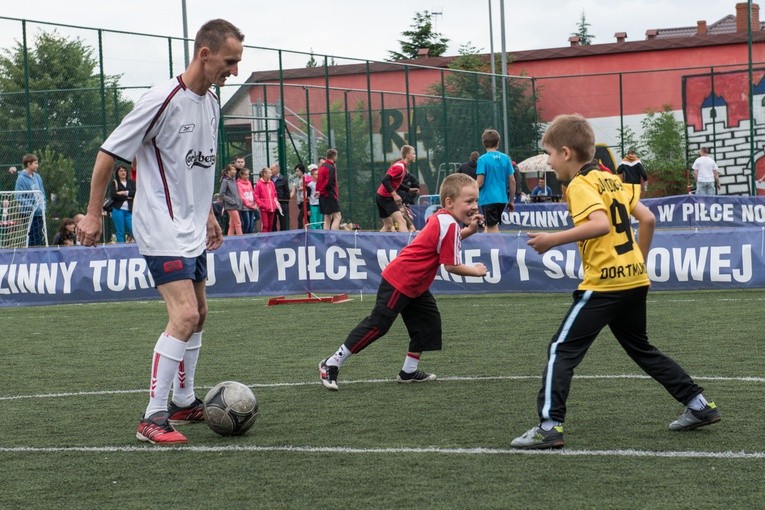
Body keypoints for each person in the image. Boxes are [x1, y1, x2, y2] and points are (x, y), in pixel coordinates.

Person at [76, 19, 244, 444]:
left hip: (191, 226)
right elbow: (107, 156)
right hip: (159, 225)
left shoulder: (210, 104)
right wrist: (94, 215)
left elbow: (196, 167)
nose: (234, 71)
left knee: (201, 314)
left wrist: (207, 215)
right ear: (204, 54)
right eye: (229, 62)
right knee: (184, 315)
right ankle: (152, 417)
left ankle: (184, 401)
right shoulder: (161, 98)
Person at [510, 114, 720, 450]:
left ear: (566, 153)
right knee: (641, 347)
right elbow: (648, 218)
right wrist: (641, 264)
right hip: (633, 278)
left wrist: (553, 239)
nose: (548, 162)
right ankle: (698, 405)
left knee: (561, 350)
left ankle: (549, 427)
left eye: (549, 154)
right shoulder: (610, 179)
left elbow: (600, 225)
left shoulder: (579, 185)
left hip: (606, 282)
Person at [319, 172, 487, 391]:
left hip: (415, 285)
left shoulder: (444, 218)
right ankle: (331, 363)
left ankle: (408, 371)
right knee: (378, 325)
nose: (474, 206)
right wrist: (476, 270)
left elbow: (443, 242)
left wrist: (470, 230)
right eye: (469, 201)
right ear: (449, 202)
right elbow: (451, 265)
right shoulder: (449, 224)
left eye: (476, 200)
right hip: (402, 281)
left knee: (429, 324)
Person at [476, 130, 515, 233]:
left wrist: (469, 192)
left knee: (492, 228)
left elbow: (480, 182)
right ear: (498, 142)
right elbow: (512, 181)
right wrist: (511, 201)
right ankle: (488, 248)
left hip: (488, 199)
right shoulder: (505, 158)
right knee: (489, 227)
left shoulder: (482, 159)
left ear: (483, 143)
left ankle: (501, 249)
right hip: (502, 199)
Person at [376, 145, 418, 232]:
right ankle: (406, 244)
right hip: (385, 198)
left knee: (388, 225)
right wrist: (394, 195)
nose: (415, 156)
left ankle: (375, 244)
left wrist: (408, 189)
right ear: (408, 156)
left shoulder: (402, 166)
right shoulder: (400, 167)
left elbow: (396, 183)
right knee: (401, 221)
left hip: (380, 196)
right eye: (413, 154)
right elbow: (385, 180)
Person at [15, 154, 46, 246]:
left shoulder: (37, 177)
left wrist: (43, 205)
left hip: (39, 213)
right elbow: (18, 196)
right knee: (32, 238)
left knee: (39, 237)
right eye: (35, 163)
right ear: (29, 164)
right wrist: (32, 207)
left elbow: (42, 192)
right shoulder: (21, 179)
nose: (37, 165)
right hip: (28, 214)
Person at [110, 164, 136, 243]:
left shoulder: (131, 182)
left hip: (129, 210)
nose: (123, 172)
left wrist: (124, 192)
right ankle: (121, 252)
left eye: (124, 170)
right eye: (120, 171)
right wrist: (128, 196)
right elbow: (113, 195)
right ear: (117, 173)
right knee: (120, 231)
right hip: (118, 210)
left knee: (134, 230)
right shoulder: (114, 183)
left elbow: (135, 193)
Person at [316, 149, 341, 230]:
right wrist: (322, 191)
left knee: (327, 218)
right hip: (329, 195)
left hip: (323, 196)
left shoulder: (321, 167)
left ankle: (326, 238)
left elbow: (319, 181)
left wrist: (319, 191)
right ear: (334, 156)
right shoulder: (331, 167)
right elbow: (328, 182)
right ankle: (333, 237)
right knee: (337, 217)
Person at [219, 164, 243, 235]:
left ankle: (230, 241)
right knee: (238, 223)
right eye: (233, 170)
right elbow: (222, 194)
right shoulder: (225, 181)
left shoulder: (234, 180)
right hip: (230, 206)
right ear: (228, 171)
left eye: (235, 170)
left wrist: (238, 201)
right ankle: (241, 241)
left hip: (236, 205)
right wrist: (232, 201)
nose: (235, 171)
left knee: (232, 225)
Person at [254, 167, 278, 233]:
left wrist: (275, 204)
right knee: (265, 225)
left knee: (270, 225)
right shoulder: (259, 184)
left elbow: (275, 194)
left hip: (272, 207)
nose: (271, 174)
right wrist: (262, 205)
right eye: (269, 173)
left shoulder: (271, 183)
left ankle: (269, 239)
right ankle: (264, 240)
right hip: (264, 209)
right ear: (264, 174)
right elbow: (256, 196)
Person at [237, 167, 257, 234]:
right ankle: (245, 238)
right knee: (247, 224)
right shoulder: (239, 184)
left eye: (248, 174)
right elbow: (242, 196)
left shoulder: (249, 183)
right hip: (245, 207)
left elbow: (252, 193)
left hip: (252, 206)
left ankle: (250, 239)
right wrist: (249, 205)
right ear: (241, 175)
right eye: (245, 174)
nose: (247, 176)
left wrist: (255, 204)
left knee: (251, 224)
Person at [271, 164, 290, 231]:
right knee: (273, 222)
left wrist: (282, 201)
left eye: (272, 169)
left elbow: (287, 192)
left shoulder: (284, 179)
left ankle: (284, 237)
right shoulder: (269, 179)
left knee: (283, 222)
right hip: (272, 203)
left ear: (277, 169)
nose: (271, 171)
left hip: (282, 203)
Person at [293, 164, 309, 229]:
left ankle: (300, 233)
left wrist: (304, 187)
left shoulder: (307, 177)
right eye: (296, 171)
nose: (296, 173)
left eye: (298, 171)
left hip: (306, 200)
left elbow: (309, 186)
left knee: (300, 217)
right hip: (299, 201)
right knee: (307, 217)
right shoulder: (296, 180)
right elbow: (293, 190)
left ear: (302, 171)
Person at [307, 164, 321, 229]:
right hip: (313, 205)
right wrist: (308, 208)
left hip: (320, 204)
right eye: (315, 174)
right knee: (313, 221)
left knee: (320, 221)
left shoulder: (321, 183)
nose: (317, 176)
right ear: (312, 175)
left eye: (318, 174)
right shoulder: (310, 185)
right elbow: (308, 196)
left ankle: (320, 234)